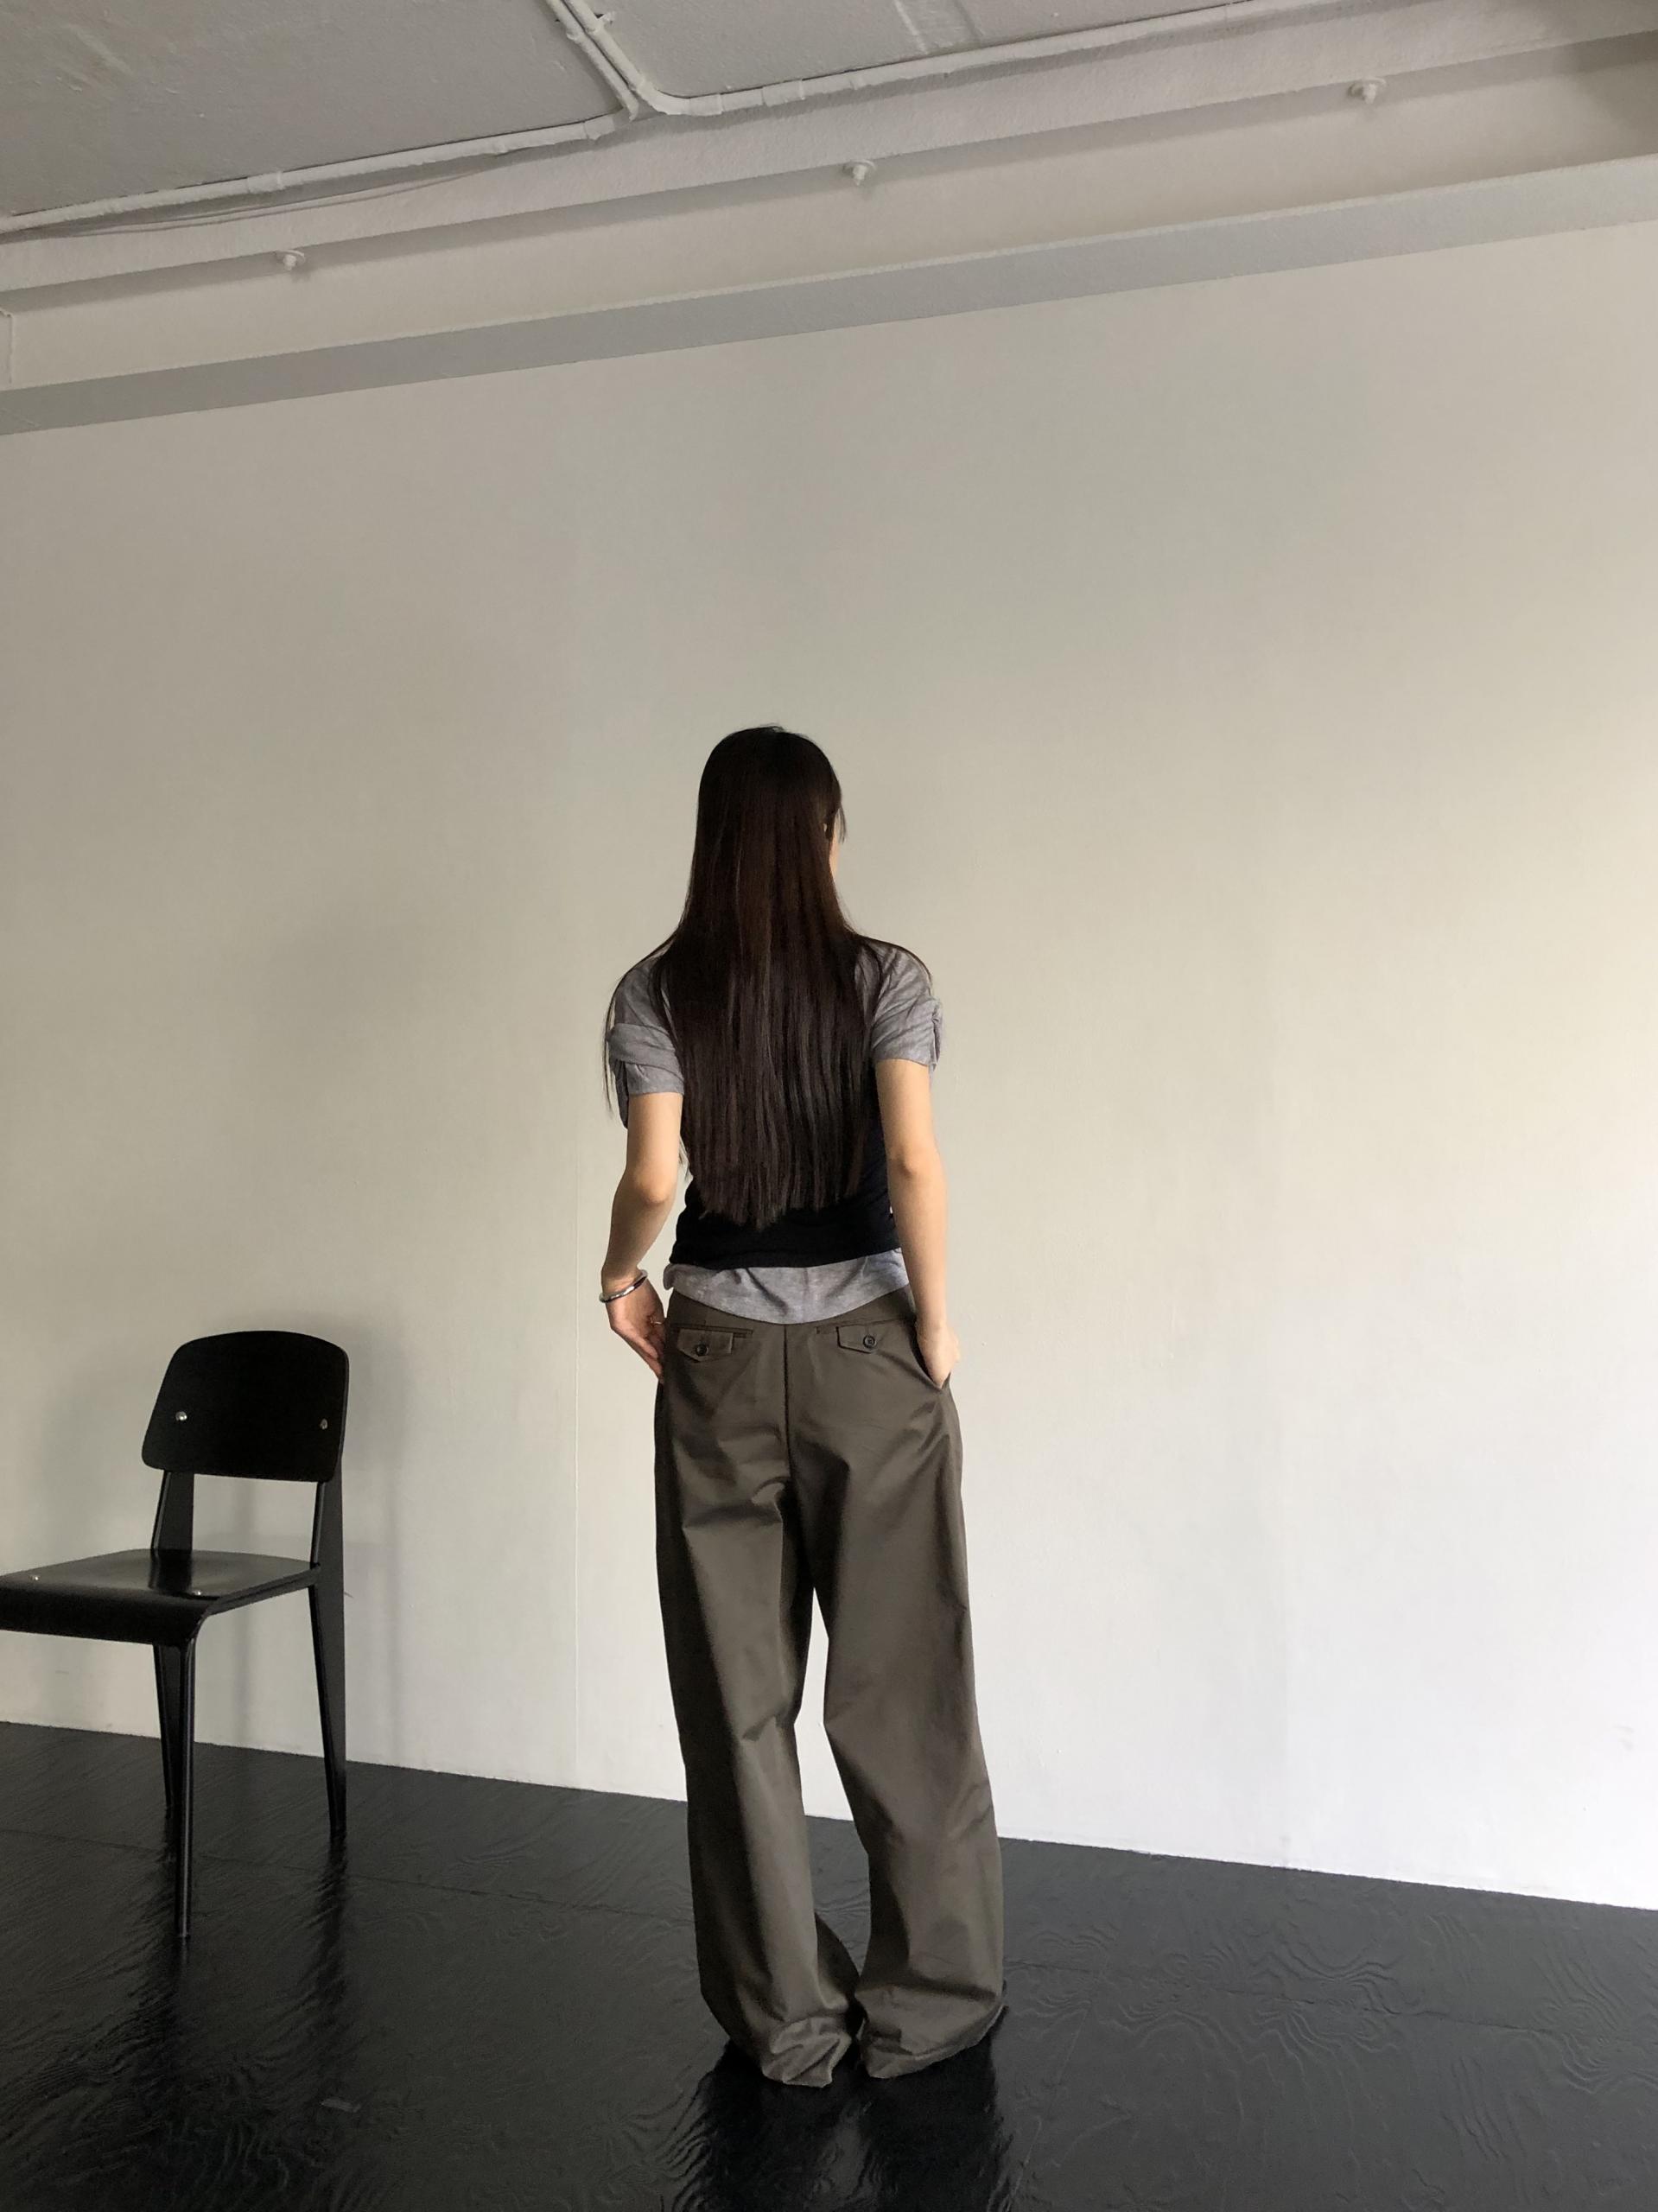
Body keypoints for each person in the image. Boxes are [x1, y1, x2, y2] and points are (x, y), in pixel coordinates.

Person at [597, 724, 1006, 2088]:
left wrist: (620, 1278)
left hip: (715, 1353)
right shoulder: (886, 978)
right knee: (904, 1689)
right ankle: (930, 2006)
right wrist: (931, 1325)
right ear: (825, 835)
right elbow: (914, 1158)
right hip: (870, 1358)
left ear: (711, 842)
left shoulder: (657, 991)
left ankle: (786, 2021)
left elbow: (656, 1179)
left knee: (737, 1701)